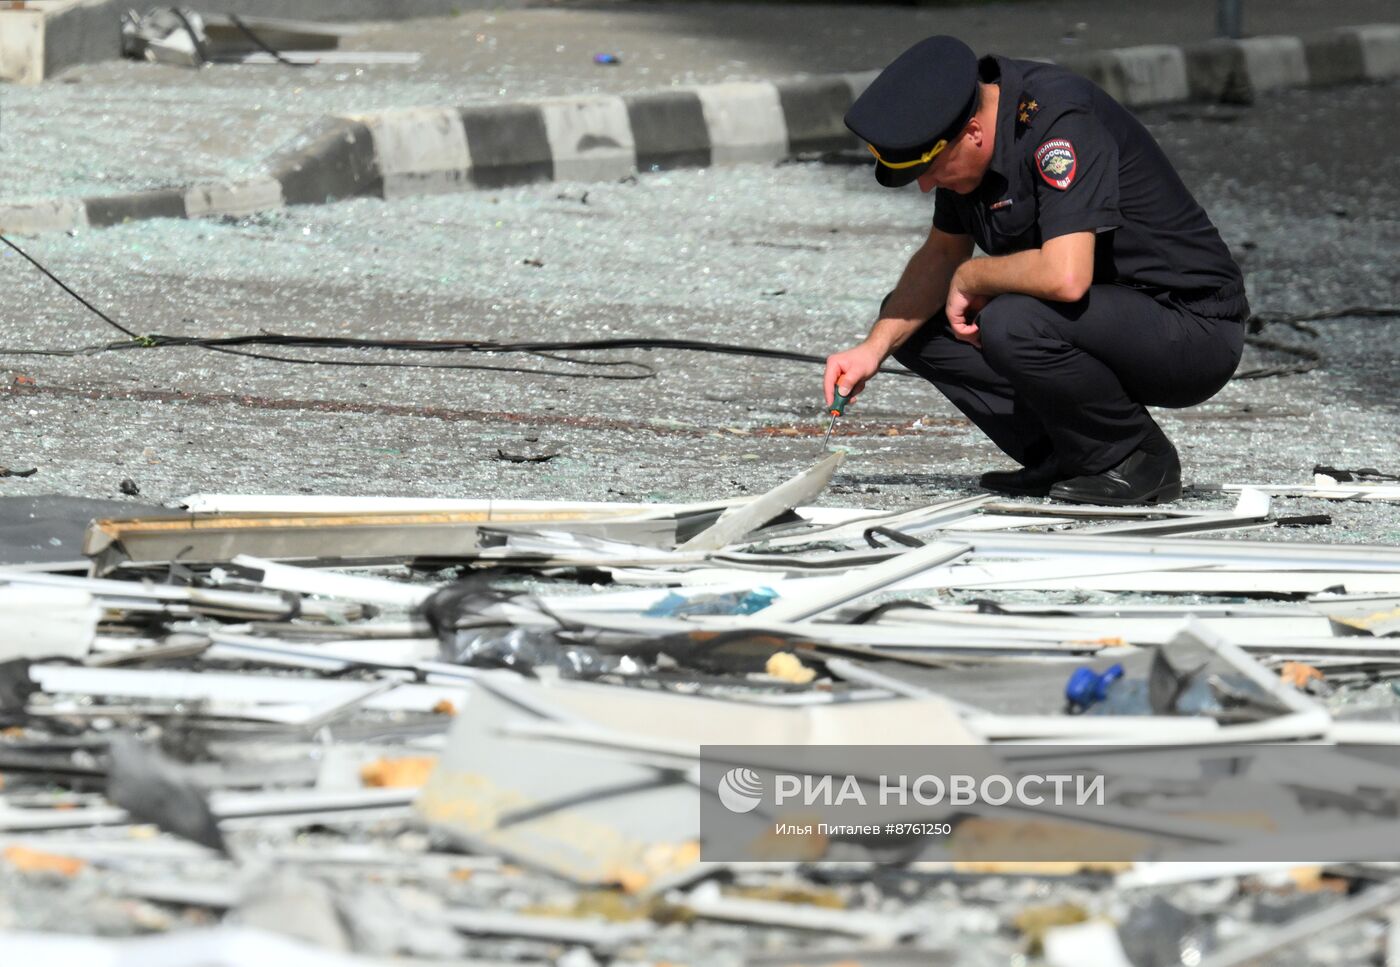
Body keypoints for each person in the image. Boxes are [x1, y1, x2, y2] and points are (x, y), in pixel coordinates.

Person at [824, 35, 1250, 505]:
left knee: (1011, 321)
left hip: (1191, 328)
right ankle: (1066, 454)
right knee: (911, 323)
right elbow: (943, 255)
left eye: (931, 169)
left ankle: (1136, 459)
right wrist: (873, 348)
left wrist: (972, 278)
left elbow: (1064, 278)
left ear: (972, 134)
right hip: (1106, 318)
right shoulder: (963, 129)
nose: (926, 186)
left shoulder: (1057, 123)